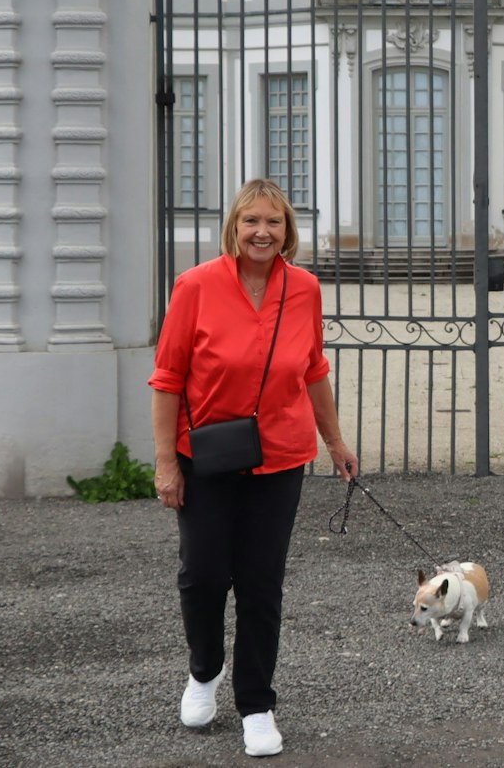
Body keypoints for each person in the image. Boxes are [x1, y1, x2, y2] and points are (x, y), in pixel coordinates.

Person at [150, 178, 360, 757]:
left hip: (280, 457)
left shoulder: (304, 288)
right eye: (251, 221)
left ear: (287, 230)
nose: (262, 232)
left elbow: (313, 369)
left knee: (261, 584)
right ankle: (204, 670)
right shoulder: (196, 285)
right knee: (203, 577)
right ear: (234, 228)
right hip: (206, 457)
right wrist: (166, 463)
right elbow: (167, 378)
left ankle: (257, 705)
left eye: (273, 222)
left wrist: (335, 441)